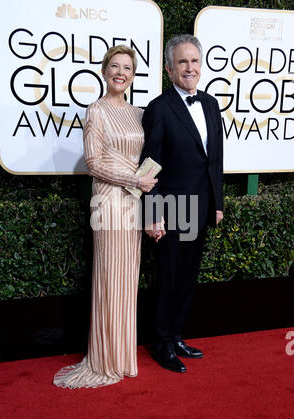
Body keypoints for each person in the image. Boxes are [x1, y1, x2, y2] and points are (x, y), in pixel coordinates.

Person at [53, 45, 157, 389]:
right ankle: (104, 357)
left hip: (134, 202)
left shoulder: (140, 113)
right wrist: (133, 180)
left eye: (127, 67)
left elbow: (148, 157)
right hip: (110, 202)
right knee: (110, 275)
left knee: (128, 276)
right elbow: (94, 164)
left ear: (132, 75)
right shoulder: (95, 110)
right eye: (115, 66)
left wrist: (144, 184)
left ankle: (122, 354)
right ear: (104, 70)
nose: (121, 72)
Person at [140, 35, 224, 373]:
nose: (189, 68)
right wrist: (152, 214)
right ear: (169, 68)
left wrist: (217, 202)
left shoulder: (211, 104)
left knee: (188, 276)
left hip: (202, 205)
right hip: (173, 207)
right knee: (170, 276)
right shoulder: (160, 108)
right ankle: (160, 343)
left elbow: (215, 160)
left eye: (194, 61)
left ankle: (175, 336)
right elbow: (149, 164)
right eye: (182, 62)